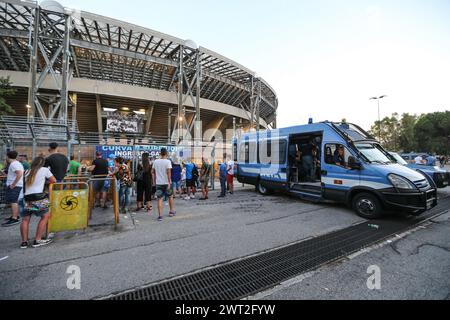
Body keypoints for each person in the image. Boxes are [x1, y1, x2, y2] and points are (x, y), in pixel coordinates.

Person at [20, 156, 56, 248]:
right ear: (42, 163)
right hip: (39, 197)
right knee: (45, 217)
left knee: (25, 220)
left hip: (27, 198)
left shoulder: (27, 171)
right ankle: (37, 240)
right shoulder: (44, 170)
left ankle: (24, 242)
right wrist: (44, 182)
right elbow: (53, 180)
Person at [152, 148, 176, 222]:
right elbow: (169, 172)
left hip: (158, 183)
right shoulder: (168, 161)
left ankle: (160, 216)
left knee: (159, 199)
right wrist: (169, 182)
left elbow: (152, 172)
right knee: (170, 197)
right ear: (166, 153)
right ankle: (171, 211)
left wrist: (154, 182)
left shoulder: (155, 161)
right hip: (166, 183)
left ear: (160, 153)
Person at [1, 151, 24, 227]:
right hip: (15, 185)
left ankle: (14, 218)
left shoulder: (14, 164)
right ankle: (14, 216)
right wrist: (4, 173)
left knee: (13, 201)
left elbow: (20, 173)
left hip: (14, 186)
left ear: (8, 156)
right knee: (13, 201)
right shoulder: (16, 163)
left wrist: (13, 184)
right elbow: (14, 174)